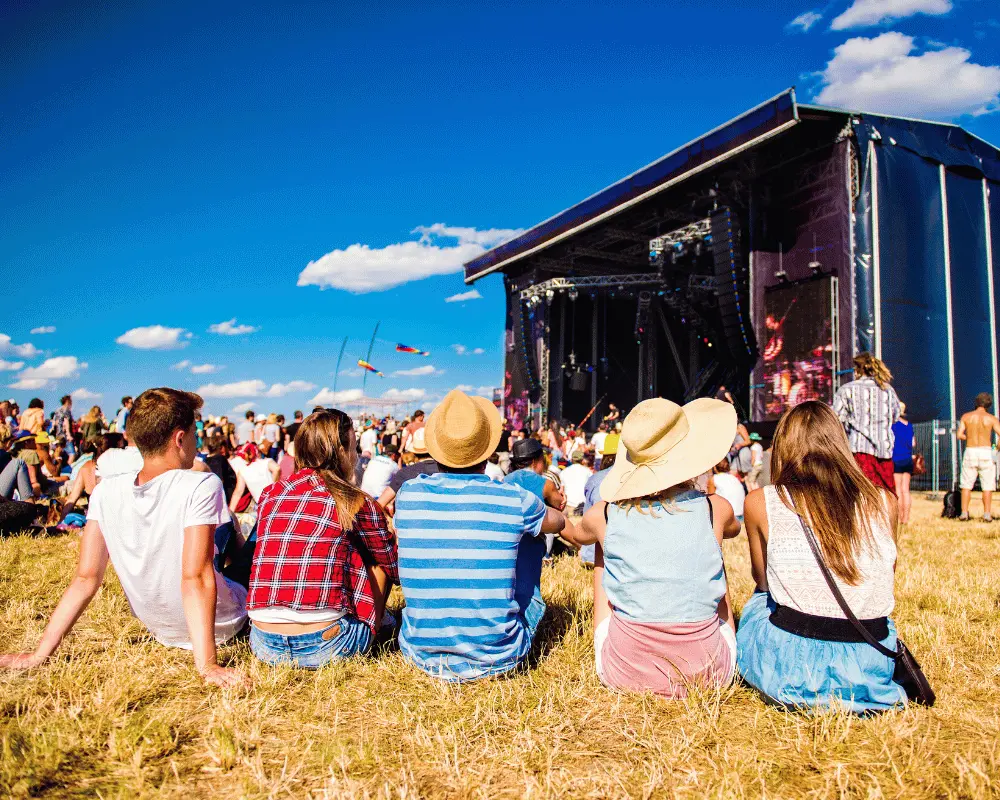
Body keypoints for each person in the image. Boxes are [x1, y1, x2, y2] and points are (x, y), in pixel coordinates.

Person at [0, 388, 249, 687]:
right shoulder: (202, 484)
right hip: (223, 623)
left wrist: (40, 655)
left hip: (163, 629)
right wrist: (207, 665)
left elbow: (85, 579)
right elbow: (195, 577)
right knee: (253, 532)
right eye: (194, 435)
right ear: (179, 439)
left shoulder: (106, 491)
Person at [394, 389, 574, 682]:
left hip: (421, 653)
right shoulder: (511, 498)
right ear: (488, 451)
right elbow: (558, 522)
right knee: (531, 534)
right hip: (499, 656)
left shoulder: (409, 494)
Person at [737, 401, 904, 712]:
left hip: (793, 666)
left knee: (758, 603)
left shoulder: (761, 501)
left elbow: (762, 582)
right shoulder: (884, 501)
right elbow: (886, 576)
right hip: (870, 655)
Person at [574, 397, 741, 697]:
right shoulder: (716, 507)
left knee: (603, 545)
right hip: (711, 673)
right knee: (712, 543)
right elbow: (733, 529)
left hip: (623, 671)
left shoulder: (605, 513)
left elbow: (577, 534)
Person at [247, 409, 397, 667]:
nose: (356, 454)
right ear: (341, 451)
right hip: (330, 644)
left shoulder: (271, 494)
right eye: (354, 446)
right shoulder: (356, 500)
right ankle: (378, 626)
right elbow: (391, 565)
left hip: (263, 642)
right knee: (377, 561)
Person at [833, 352, 901, 493]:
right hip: (884, 452)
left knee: (861, 494)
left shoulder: (847, 389)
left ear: (857, 370)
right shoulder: (888, 390)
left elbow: (836, 419)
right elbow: (895, 416)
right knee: (887, 494)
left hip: (859, 449)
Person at [505, 437, 567, 559]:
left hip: (510, 542)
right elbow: (559, 506)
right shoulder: (545, 483)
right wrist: (563, 498)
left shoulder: (505, 480)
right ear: (535, 461)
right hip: (535, 544)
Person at [957, 392, 1000, 522]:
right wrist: (997, 448)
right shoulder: (991, 419)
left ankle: (964, 512)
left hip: (971, 450)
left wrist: (969, 437)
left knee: (966, 484)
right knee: (987, 485)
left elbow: (960, 435)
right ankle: (987, 513)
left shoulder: (966, 417)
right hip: (986, 450)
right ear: (989, 404)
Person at [375, 427, 438, 513]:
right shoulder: (448, 472)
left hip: (411, 524)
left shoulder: (405, 473)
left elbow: (379, 505)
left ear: (414, 451)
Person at [579, 433, 619, 566]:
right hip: (619, 557)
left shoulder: (595, 479)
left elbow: (586, 516)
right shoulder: (631, 478)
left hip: (591, 554)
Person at [228, 442, 280, 514]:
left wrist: (230, 513)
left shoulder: (242, 471)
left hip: (261, 504)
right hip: (275, 499)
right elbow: (277, 468)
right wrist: (272, 487)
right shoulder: (266, 462)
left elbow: (238, 492)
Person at [891, 403, 916, 525]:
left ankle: (899, 517)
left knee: (898, 489)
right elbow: (913, 443)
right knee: (906, 489)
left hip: (896, 458)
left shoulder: (893, 426)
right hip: (907, 459)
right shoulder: (909, 426)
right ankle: (906, 518)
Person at [710, 459, 745, 524]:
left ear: (714, 467)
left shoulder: (714, 479)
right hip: (741, 513)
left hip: (728, 517)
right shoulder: (733, 478)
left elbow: (710, 499)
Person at [560, 451, 593, 515]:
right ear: (582, 460)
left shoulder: (563, 472)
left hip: (568, 506)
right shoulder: (588, 472)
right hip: (583, 506)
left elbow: (562, 490)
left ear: (572, 460)